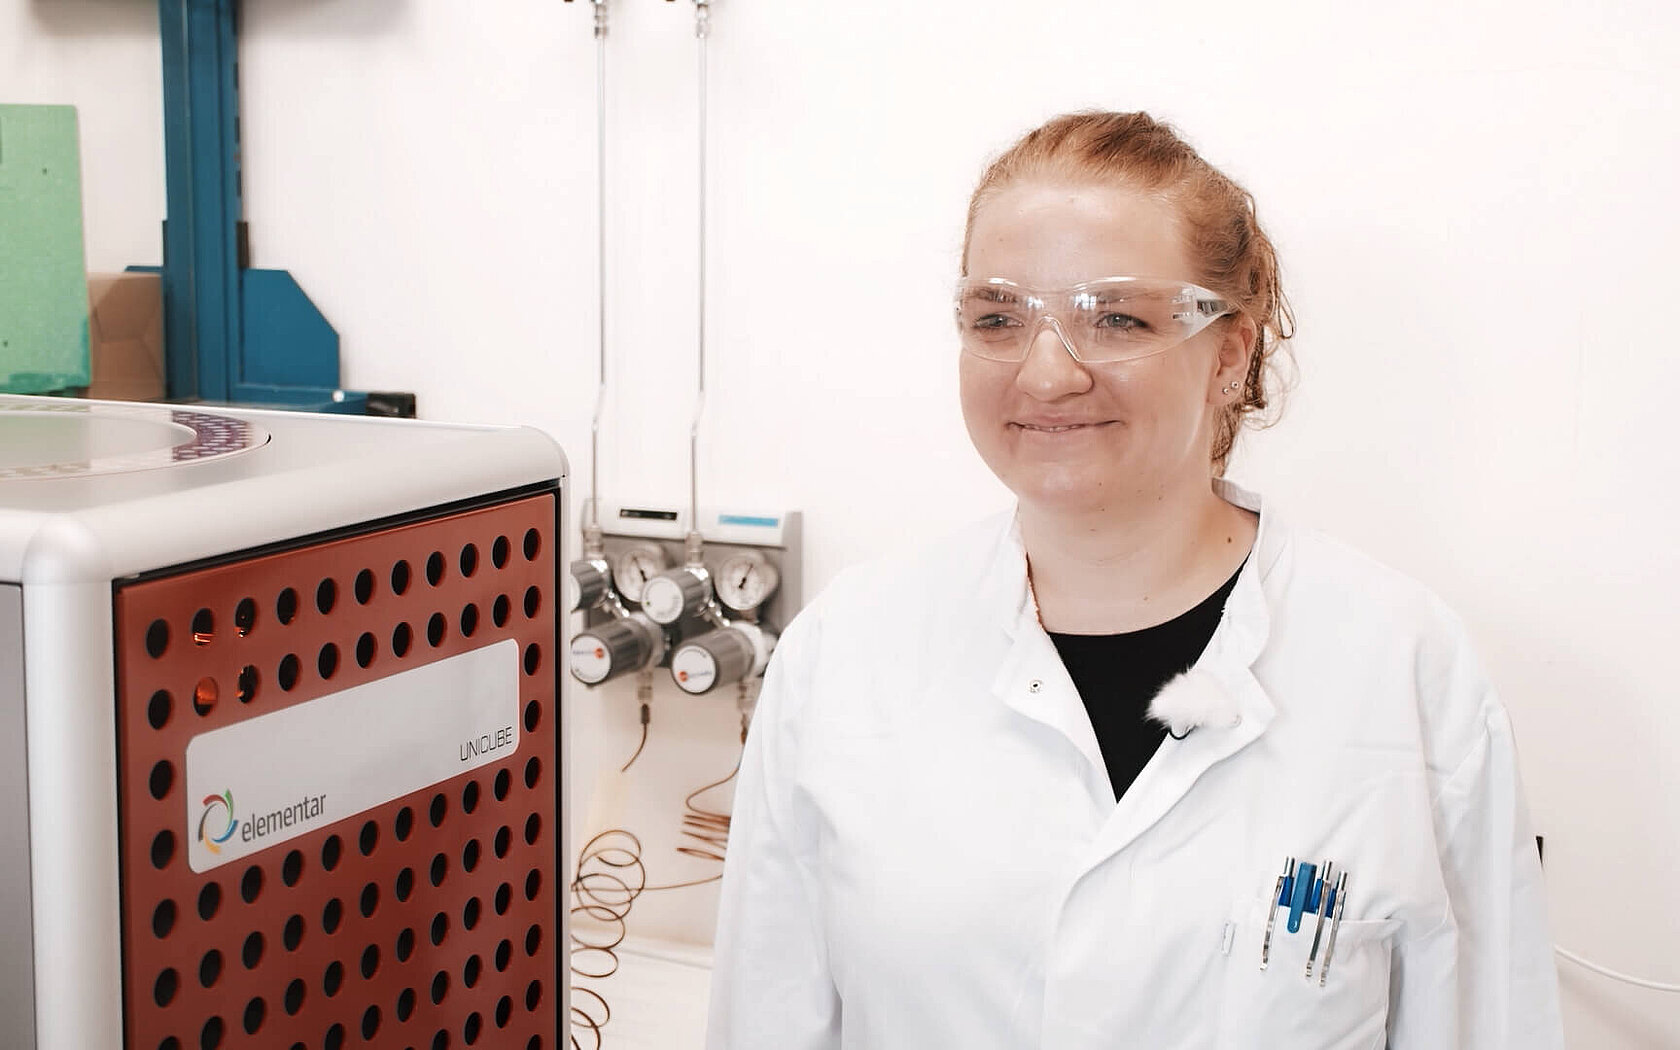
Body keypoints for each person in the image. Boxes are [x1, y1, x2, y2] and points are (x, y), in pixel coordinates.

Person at [706, 111, 1563, 1049]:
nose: (1045, 373)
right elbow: (768, 1018)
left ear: (1229, 353)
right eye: (998, 316)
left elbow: (1489, 1022)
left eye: (1114, 317)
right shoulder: (845, 653)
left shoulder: (1406, 668)